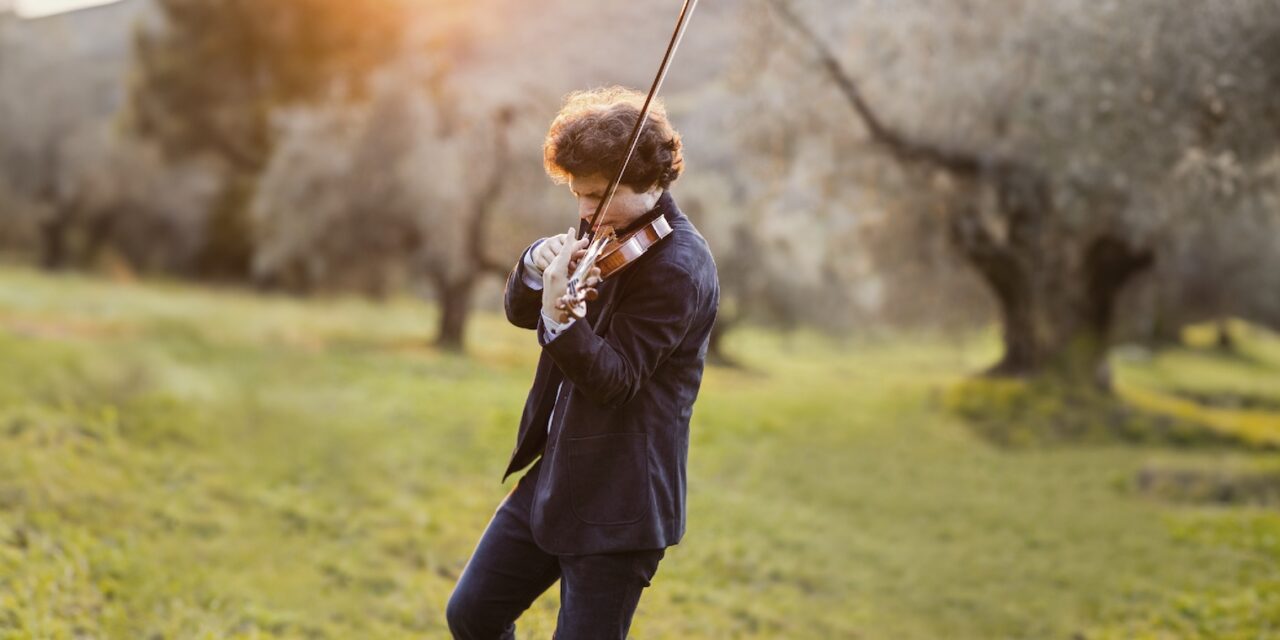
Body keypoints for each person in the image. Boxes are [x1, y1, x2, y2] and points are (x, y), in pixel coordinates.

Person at [445, 86, 719, 639]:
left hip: (620, 505)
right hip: (557, 478)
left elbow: (614, 380)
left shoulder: (678, 269)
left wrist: (563, 320)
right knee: (472, 614)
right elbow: (523, 314)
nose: (584, 213)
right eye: (577, 195)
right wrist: (533, 267)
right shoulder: (606, 233)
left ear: (650, 182)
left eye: (596, 196)